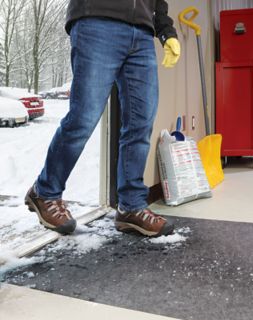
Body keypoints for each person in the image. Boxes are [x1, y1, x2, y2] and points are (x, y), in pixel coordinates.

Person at [25, 0, 180, 237]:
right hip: (97, 21)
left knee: (141, 124)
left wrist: (166, 31)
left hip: (142, 33)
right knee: (83, 118)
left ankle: (131, 206)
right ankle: (45, 191)